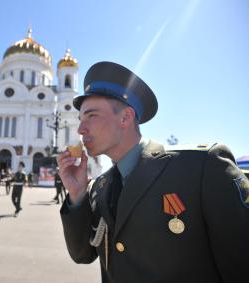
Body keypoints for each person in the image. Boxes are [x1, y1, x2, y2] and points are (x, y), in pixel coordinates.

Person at [57, 61, 249, 283]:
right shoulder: (99, 187)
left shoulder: (201, 167)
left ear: (125, 118)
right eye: (80, 119)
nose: (81, 129)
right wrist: (77, 194)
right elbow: (82, 254)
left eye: (91, 116)